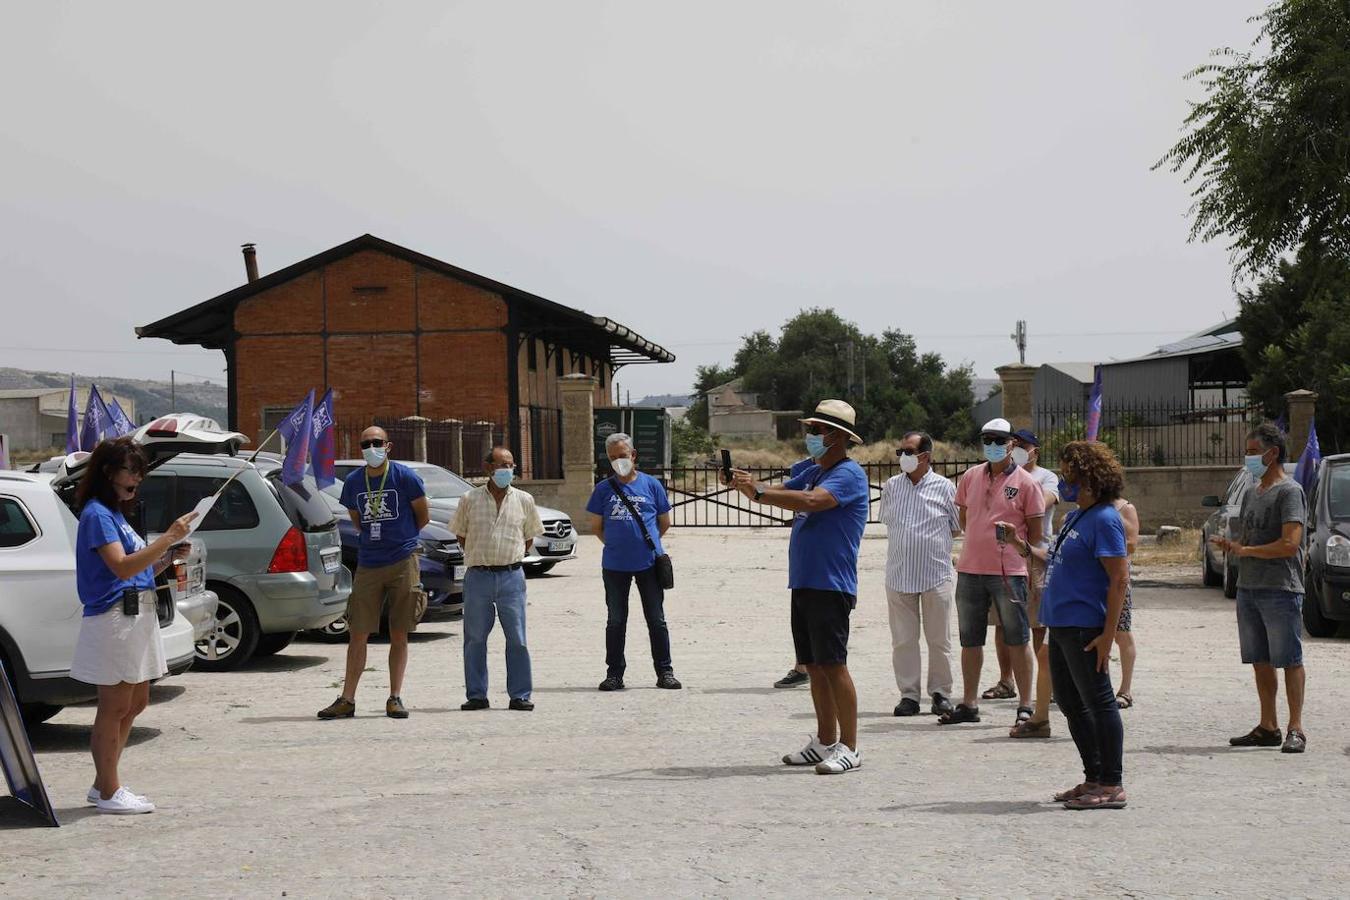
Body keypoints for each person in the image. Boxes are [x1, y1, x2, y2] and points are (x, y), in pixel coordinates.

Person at [729, 400, 870, 775]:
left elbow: (811, 502)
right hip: (805, 582)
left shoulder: (848, 475)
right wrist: (748, 484)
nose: (809, 436)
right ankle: (825, 741)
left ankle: (850, 747)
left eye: (815, 430)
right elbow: (783, 490)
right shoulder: (813, 471)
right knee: (814, 666)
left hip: (831, 584)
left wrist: (758, 492)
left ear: (837, 436)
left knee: (834, 665)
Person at [70, 437, 197, 814]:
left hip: (138, 614)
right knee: (115, 705)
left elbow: (137, 570)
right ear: (108, 472)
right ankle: (109, 790)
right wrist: (168, 539)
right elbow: (121, 567)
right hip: (115, 618)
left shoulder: (117, 515)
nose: (137, 479)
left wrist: (169, 555)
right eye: (131, 471)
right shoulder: (97, 515)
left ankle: (102, 784)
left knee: (137, 702)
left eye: (141, 473)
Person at [1005, 440, 1130, 809]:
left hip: (1085, 627)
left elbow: (1119, 579)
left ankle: (1112, 783)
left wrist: (1108, 636)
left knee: (1099, 702)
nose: (1064, 481)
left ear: (1089, 477)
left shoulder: (1106, 519)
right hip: (1060, 624)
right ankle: (1093, 776)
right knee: (1073, 705)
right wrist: (1021, 545)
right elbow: (1053, 557)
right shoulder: (1076, 516)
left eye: (1070, 474)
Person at [938, 418, 1044, 731]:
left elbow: (1036, 537)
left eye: (999, 440)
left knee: (1018, 637)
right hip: (970, 569)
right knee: (970, 639)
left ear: (1012, 443)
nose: (993, 446)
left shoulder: (1027, 484)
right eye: (987, 439)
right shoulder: (970, 477)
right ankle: (969, 703)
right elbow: (964, 518)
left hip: (1009, 571)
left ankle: (1025, 704)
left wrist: (1019, 553)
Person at [319, 426, 430, 720]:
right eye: (366, 443)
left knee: (399, 632)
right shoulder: (354, 481)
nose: (371, 447)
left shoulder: (404, 476)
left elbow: (423, 515)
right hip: (369, 563)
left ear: (388, 445)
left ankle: (394, 697)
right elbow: (357, 520)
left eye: (377, 442)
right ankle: (347, 698)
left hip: (403, 560)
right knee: (358, 632)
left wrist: (402, 539)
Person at [1212, 423, 1308, 753]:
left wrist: (1246, 551)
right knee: (1260, 660)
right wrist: (1233, 545)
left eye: (1254, 452)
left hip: (1280, 588)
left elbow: (1289, 544)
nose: (1249, 457)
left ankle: (1296, 727)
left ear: (1273, 453)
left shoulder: (1289, 492)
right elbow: (1251, 539)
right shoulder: (1253, 491)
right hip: (1249, 587)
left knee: (1290, 659)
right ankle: (1268, 726)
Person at [587, 432, 681, 691]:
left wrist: (645, 542)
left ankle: (665, 672)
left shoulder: (651, 485)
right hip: (615, 566)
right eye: (614, 457)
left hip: (649, 564)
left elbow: (664, 522)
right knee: (616, 620)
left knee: (656, 619)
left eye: (623, 455)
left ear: (634, 455)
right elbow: (596, 526)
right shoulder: (603, 490)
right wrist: (617, 544)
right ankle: (614, 674)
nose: (619, 461)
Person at [452, 446, 544, 711]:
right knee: (475, 639)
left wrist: (509, 557)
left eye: (511, 465)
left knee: (517, 638)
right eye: (502, 464)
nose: (507, 470)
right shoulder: (469, 499)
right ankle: (477, 695)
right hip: (478, 577)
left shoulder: (524, 499)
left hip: (511, 577)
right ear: (488, 467)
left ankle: (520, 694)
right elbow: (461, 534)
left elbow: (528, 538)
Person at [878, 430, 960, 717]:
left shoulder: (945, 487)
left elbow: (956, 526)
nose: (904, 457)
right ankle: (909, 696)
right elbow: (888, 521)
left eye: (909, 452)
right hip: (899, 574)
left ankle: (940, 693)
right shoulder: (891, 486)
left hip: (935, 573)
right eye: (901, 452)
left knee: (939, 639)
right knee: (903, 640)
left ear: (926, 456)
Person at [1005, 429, 1059, 738]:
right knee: (1008, 626)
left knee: (1039, 626)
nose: (1016, 450)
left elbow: (1043, 501)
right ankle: (1007, 680)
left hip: (1037, 558)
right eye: (1014, 445)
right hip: (1009, 557)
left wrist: (1019, 487)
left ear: (1034, 451)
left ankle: (1045, 685)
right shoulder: (1005, 476)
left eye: (1022, 447)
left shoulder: (1046, 478)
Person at [1111, 497, 1140, 709]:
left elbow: (1131, 544)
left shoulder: (1125, 508)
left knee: (1121, 631)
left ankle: (1125, 689)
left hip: (1116, 577)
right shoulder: (1086, 505)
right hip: (1089, 579)